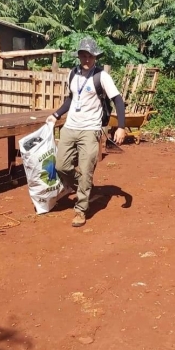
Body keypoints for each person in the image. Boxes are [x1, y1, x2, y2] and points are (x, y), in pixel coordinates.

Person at [46, 37, 127, 227]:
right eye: (83, 55)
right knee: (61, 165)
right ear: (79, 56)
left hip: (90, 130)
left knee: (86, 170)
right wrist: (56, 115)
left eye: (90, 56)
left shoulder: (102, 77)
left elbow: (118, 100)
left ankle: (81, 210)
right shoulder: (73, 74)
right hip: (70, 127)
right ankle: (81, 185)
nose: (86, 59)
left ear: (95, 57)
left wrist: (121, 126)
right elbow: (71, 99)